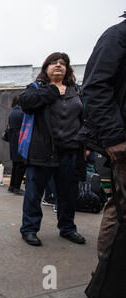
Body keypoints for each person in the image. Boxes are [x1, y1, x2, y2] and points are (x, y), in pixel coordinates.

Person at [19, 52, 86, 247]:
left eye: (63, 63)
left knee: (67, 194)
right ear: (45, 68)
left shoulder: (76, 90)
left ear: (68, 69)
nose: (59, 65)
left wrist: (86, 144)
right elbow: (26, 104)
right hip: (42, 151)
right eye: (54, 63)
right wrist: (54, 91)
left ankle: (68, 228)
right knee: (34, 192)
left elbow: (85, 117)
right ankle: (30, 229)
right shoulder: (37, 88)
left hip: (70, 151)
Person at [76, 13, 126, 259]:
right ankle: (106, 280)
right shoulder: (117, 35)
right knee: (119, 209)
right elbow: (95, 88)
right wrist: (114, 138)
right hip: (120, 140)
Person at [6, 95, 26, 195]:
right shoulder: (22, 113)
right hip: (19, 141)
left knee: (15, 165)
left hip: (13, 141)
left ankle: (12, 186)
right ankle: (17, 187)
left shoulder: (13, 112)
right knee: (20, 166)